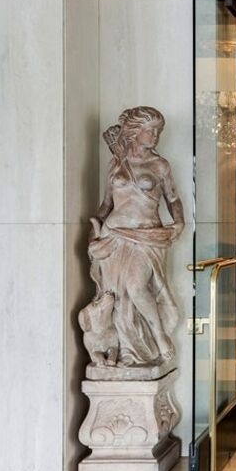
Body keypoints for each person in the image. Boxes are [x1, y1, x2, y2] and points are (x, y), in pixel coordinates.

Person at [85, 106, 184, 367]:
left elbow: (173, 199)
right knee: (118, 297)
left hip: (147, 236)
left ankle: (159, 336)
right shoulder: (116, 164)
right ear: (134, 132)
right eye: (150, 130)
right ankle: (127, 351)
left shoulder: (160, 165)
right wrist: (93, 232)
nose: (155, 135)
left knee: (137, 287)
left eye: (158, 131)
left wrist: (179, 223)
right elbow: (107, 204)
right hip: (114, 236)